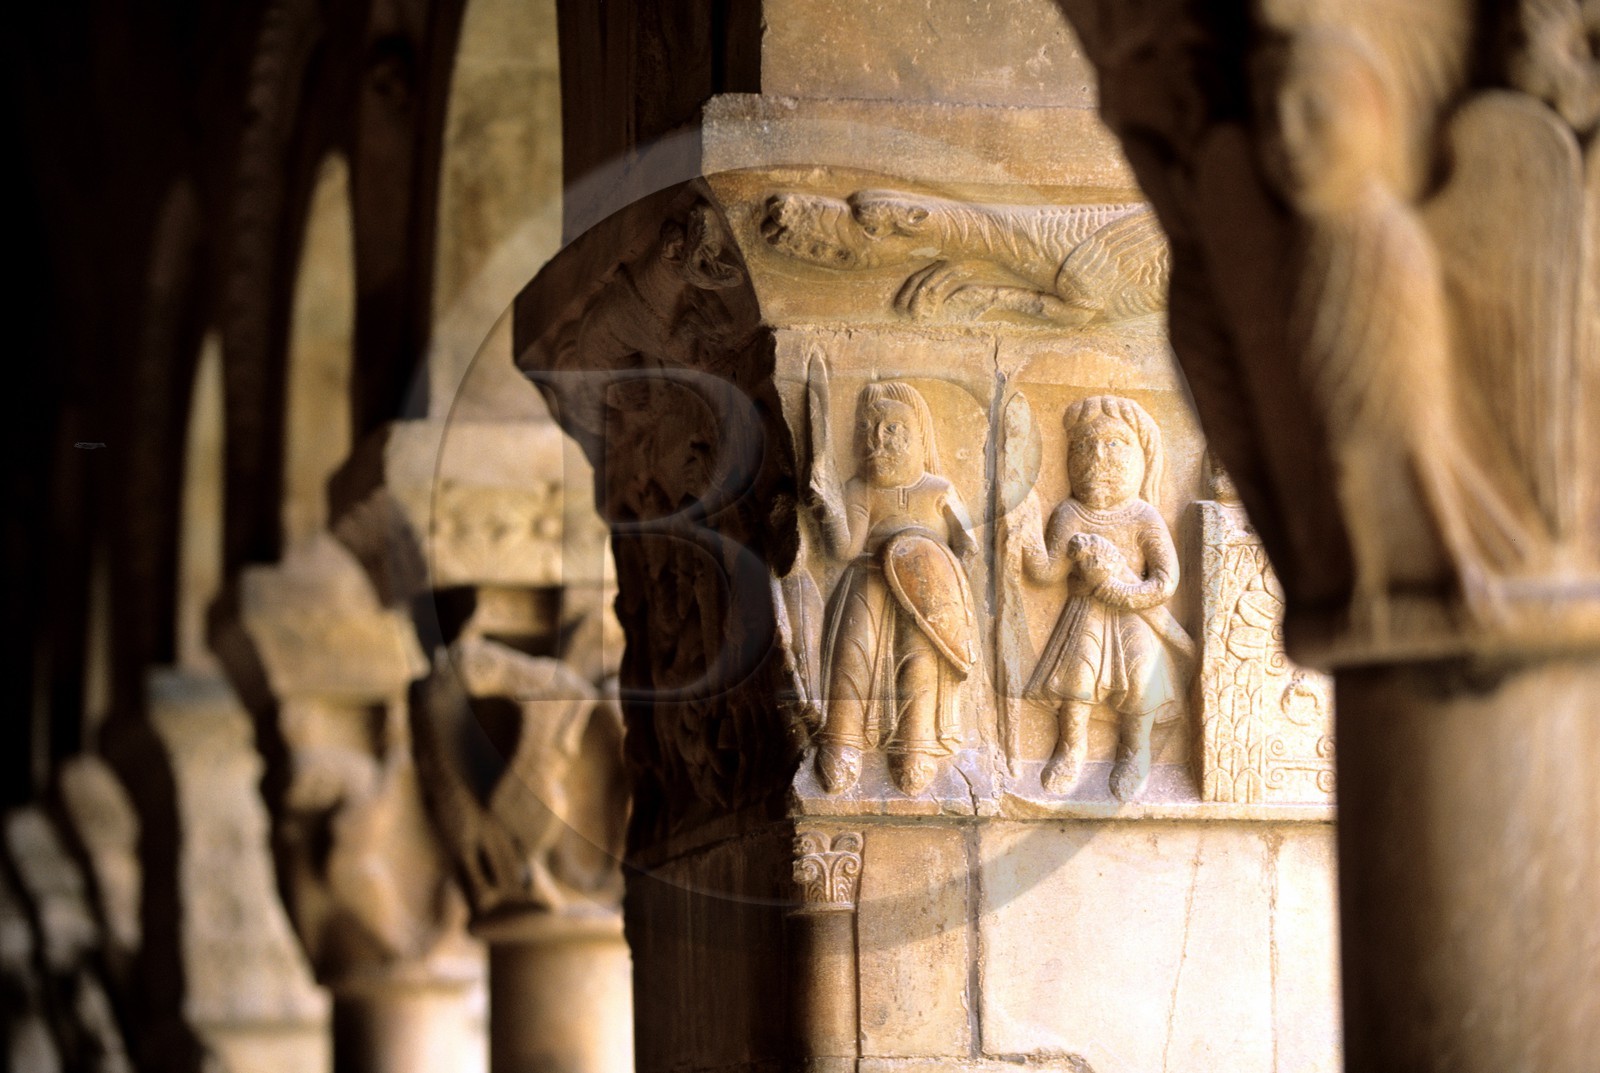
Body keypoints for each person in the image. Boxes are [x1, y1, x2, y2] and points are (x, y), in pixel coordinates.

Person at [1019, 395, 1192, 801]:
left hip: (1136, 616)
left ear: (1144, 457)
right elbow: (1047, 572)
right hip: (1085, 614)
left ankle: (1135, 751)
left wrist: (1125, 592)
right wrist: (1024, 532)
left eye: (1114, 444)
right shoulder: (1070, 513)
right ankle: (1071, 749)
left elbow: (1166, 582)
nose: (1097, 457)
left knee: (1142, 677)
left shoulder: (1143, 516)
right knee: (1077, 678)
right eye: (1082, 446)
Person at [810, 379, 977, 795]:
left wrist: (949, 579)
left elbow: (967, 546)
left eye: (891, 430)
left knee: (921, 660)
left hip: (927, 593)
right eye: (866, 430)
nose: (876, 441)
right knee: (854, 654)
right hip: (868, 581)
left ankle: (916, 743)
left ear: (920, 435)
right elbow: (844, 549)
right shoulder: (860, 489)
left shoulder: (938, 490)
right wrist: (829, 508)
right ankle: (843, 738)